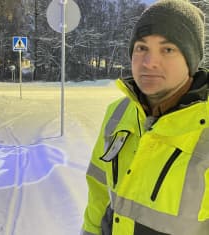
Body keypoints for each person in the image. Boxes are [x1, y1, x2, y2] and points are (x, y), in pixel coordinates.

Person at [81, 0, 209, 234]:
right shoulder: (118, 113)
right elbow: (99, 190)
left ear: (191, 60)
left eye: (167, 49)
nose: (149, 63)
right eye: (141, 48)